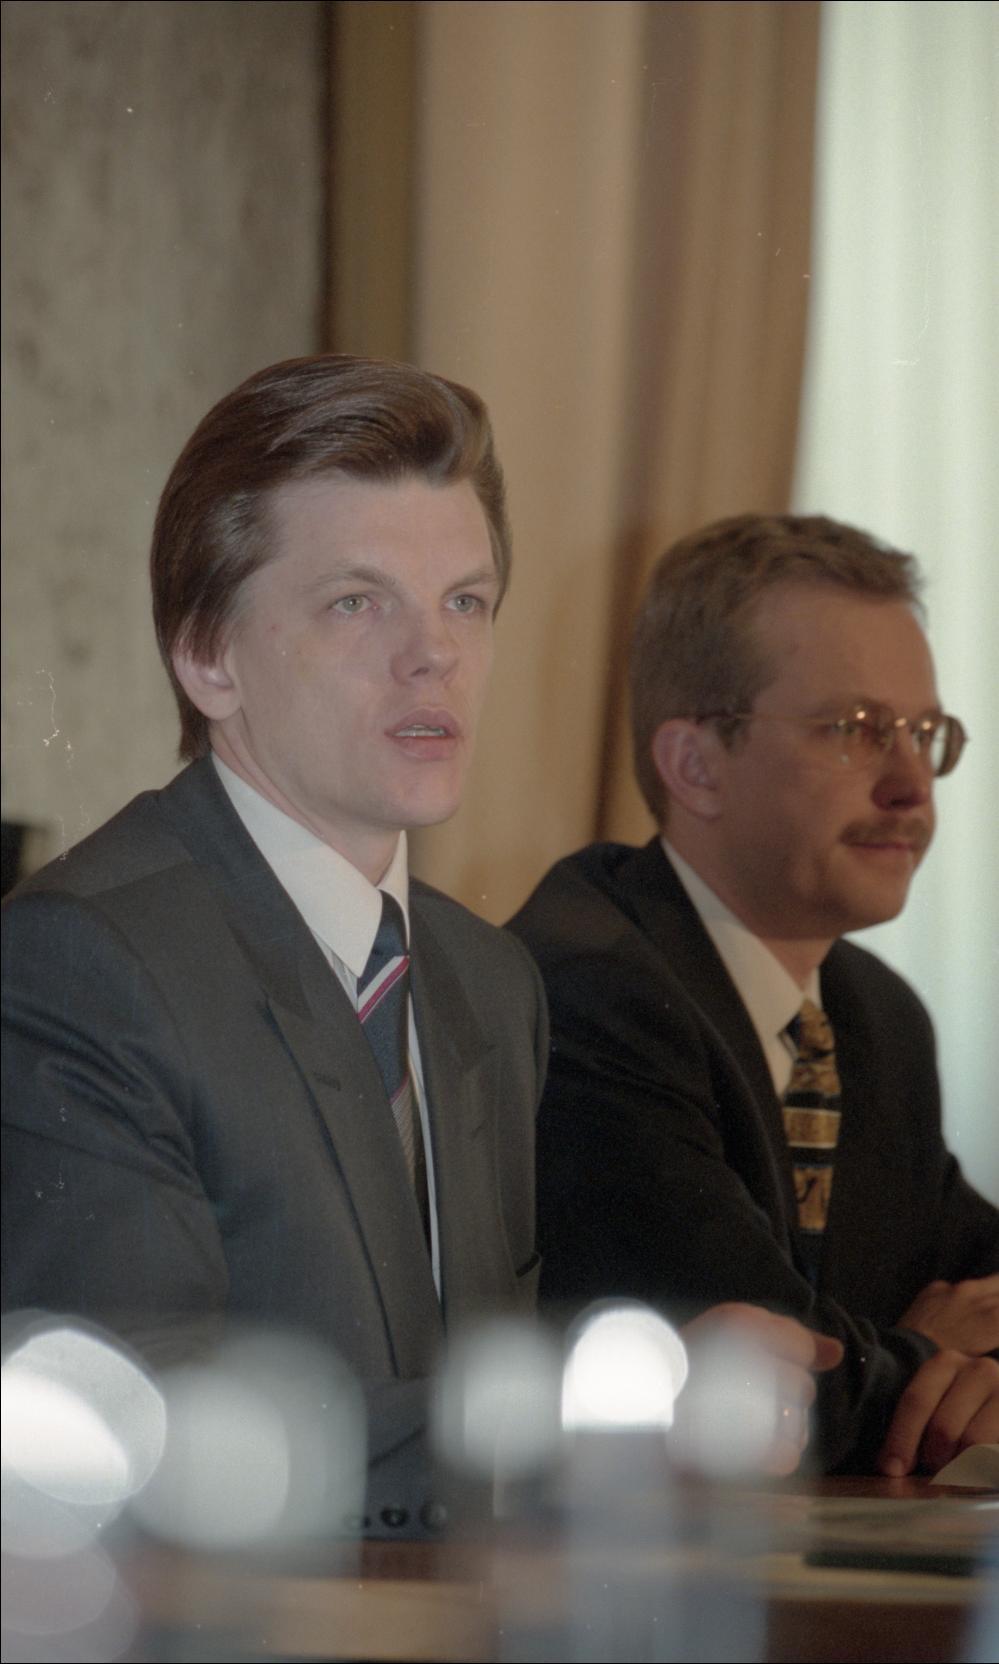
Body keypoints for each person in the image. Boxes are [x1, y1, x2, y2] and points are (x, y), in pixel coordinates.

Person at [3, 365, 839, 1534]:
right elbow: (140, 1432)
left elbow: (453, 1393)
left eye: (466, 601)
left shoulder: (488, 979)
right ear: (207, 655)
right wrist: (597, 1418)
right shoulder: (82, 959)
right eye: (358, 602)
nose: (432, 654)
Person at [508, 512, 999, 1476]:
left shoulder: (872, 1015)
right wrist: (924, 1358)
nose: (911, 785)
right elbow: (757, 1386)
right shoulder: (591, 986)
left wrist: (910, 1359)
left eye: (925, 733)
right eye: (854, 730)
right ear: (695, 766)